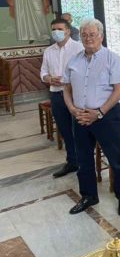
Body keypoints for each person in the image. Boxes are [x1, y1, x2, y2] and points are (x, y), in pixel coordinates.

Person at [62, 19, 120, 216]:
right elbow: (66, 88)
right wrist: (72, 109)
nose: (88, 38)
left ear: (101, 36)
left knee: (116, 158)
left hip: (106, 117)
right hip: (80, 116)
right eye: (84, 35)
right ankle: (88, 195)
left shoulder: (112, 59)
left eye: (92, 34)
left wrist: (99, 112)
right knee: (83, 158)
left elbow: (119, 90)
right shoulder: (74, 60)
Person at [40, 18, 84, 178]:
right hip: (56, 94)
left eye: (59, 29)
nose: (56, 32)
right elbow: (43, 72)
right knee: (65, 130)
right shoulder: (49, 51)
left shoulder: (79, 48)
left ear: (68, 31)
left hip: (74, 94)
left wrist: (68, 80)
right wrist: (49, 79)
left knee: (79, 129)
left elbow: (84, 71)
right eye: (53, 29)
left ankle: (85, 161)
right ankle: (72, 162)